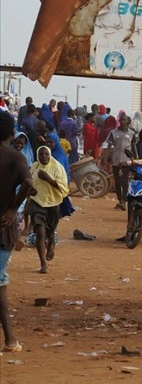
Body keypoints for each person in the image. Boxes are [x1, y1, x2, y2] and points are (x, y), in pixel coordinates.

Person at [0, 114, 33, 352]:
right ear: (11, 134)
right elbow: (29, 184)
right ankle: (10, 339)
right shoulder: (15, 157)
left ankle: (10, 339)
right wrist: (12, 208)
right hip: (3, 227)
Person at [28, 146, 69, 274]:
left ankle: (51, 242)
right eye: (41, 155)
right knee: (40, 232)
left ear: (50, 155)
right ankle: (43, 263)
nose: (44, 157)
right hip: (37, 202)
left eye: (46, 154)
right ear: (37, 156)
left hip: (53, 204)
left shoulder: (57, 167)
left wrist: (48, 179)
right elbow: (28, 182)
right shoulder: (34, 167)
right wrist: (30, 190)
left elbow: (64, 188)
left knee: (50, 232)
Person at [103, 115, 135, 210]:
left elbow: (133, 147)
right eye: (121, 120)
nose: (122, 121)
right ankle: (120, 200)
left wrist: (135, 159)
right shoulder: (113, 133)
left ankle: (123, 201)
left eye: (124, 120)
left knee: (125, 181)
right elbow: (109, 146)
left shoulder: (132, 133)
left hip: (126, 161)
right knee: (117, 182)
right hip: (116, 161)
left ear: (128, 121)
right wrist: (105, 157)